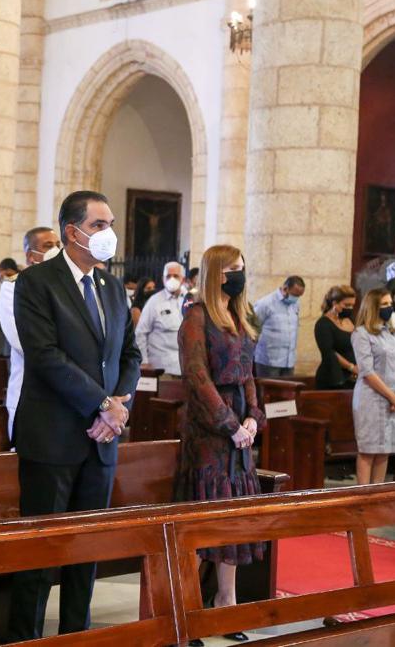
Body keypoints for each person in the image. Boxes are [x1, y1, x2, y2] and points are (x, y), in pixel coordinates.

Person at [8, 190, 141, 640]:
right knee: (39, 555)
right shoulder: (37, 282)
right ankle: (26, 637)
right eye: (100, 225)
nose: (109, 234)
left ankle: (77, 635)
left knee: (88, 549)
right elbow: (45, 356)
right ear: (72, 231)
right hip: (52, 437)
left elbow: (129, 354)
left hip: (102, 439)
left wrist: (118, 408)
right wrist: (102, 405)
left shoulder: (110, 287)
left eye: (110, 224)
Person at [174, 244, 263, 643]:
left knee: (231, 523)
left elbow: (247, 374)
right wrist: (229, 424)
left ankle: (226, 604)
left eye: (241, 268)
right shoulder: (195, 317)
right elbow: (196, 376)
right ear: (215, 275)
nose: (238, 275)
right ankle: (186, 612)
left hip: (238, 438)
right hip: (209, 437)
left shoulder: (239, 317)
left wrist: (252, 418)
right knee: (201, 526)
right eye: (231, 269)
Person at [0, 226, 61, 438]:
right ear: (30, 255)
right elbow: (24, 342)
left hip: (68, 393)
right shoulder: (13, 288)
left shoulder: (69, 288)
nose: (56, 250)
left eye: (58, 245)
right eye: (48, 246)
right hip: (32, 389)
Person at [351, 288, 395, 485]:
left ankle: (377, 496)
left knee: (384, 452)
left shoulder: (392, 335)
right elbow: (367, 372)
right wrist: (392, 397)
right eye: (384, 304)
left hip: (393, 401)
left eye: (390, 303)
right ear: (373, 307)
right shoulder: (361, 334)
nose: (389, 308)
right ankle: (363, 498)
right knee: (368, 450)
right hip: (371, 399)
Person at [135, 262, 187, 377]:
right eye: (168, 276)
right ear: (163, 279)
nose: (171, 279)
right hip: (163, 370)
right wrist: (143, 362)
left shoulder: (189, 300)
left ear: (183, 279)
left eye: (175, 276)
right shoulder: (154, 302)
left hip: (186, 370)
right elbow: (140, 333)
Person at [253, 275, 305, 378]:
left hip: (288, 362)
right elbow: (252, 329)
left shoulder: (295, 304)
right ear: (285, 288)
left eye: (299, 296)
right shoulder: (265, 303)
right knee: (268, 393)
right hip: (268, 361)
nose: (296, 298)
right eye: (295, 295)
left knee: (287, 393)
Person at [315, 285, 358, 390]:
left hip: (354, 377)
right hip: (333, 378)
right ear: (334, 303)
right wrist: (351, 367)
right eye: (346, 305)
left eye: (352, 305)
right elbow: (329, 352)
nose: (350, 309)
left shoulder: (350, 320)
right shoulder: (323, 324)